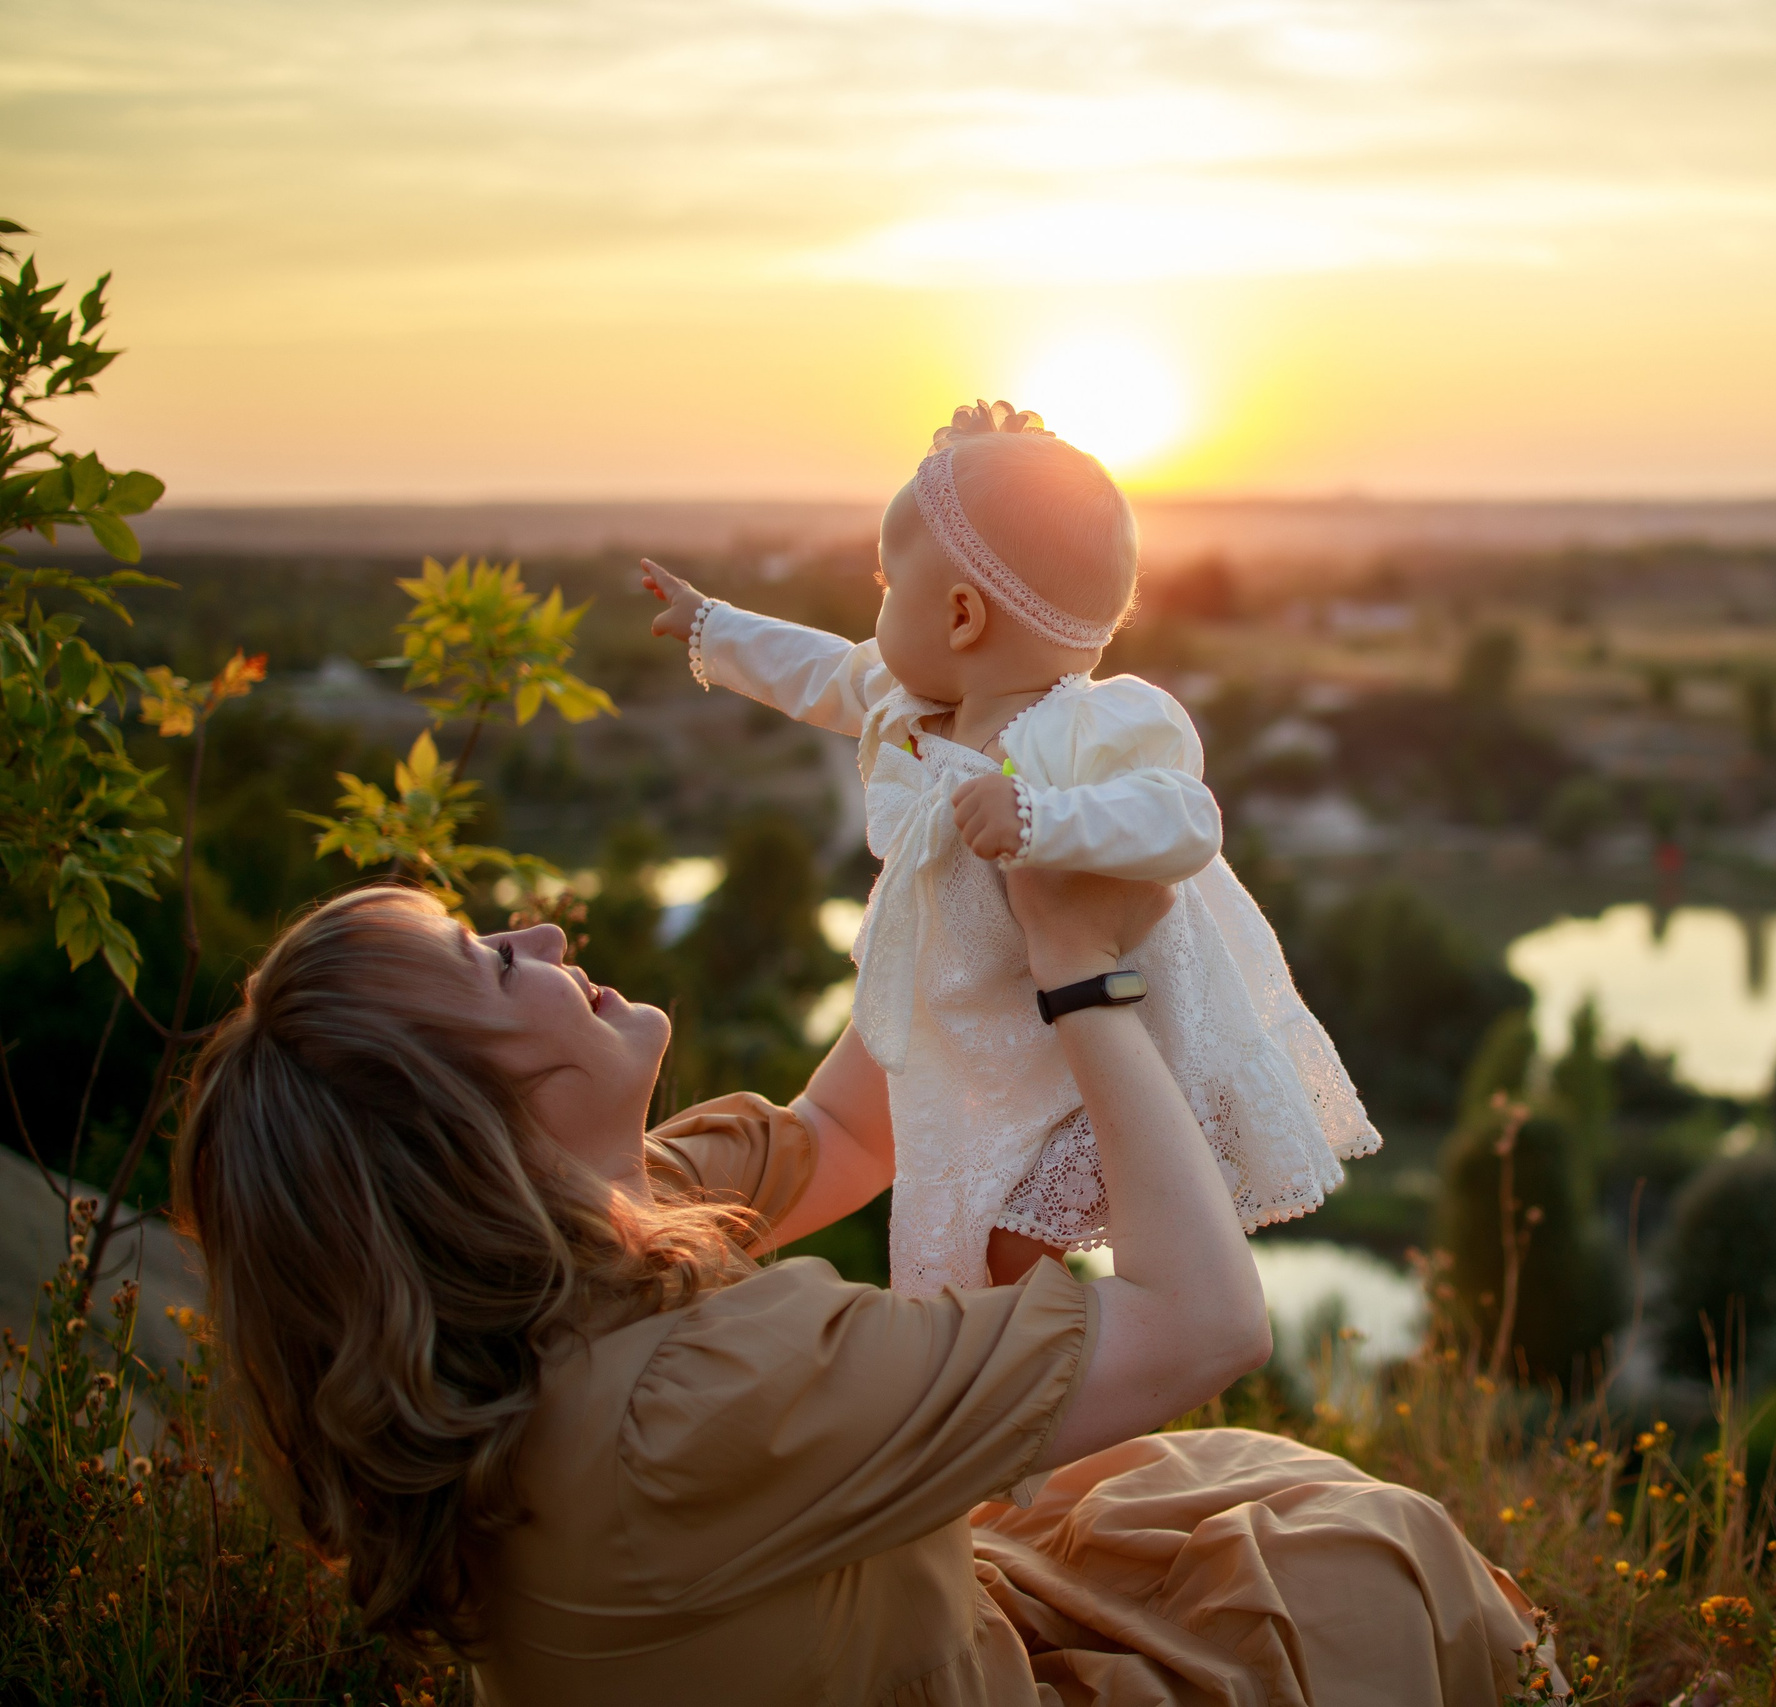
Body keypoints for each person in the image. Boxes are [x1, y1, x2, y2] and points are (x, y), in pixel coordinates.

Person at [175, 871, 1549, 1704]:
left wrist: (961, 861)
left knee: (1191, 1479)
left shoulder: (592, 1231)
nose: (537, 933)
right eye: (492, 961)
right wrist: (1087, 981)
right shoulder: (696, 1394)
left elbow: (847, 1132)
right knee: (1369, 1566)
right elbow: (1208, 1320)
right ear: (462, 1113)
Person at [638, 400, 1375, 1295]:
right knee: (844, 1135)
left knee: (999, 1248)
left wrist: (1040, 818)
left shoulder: (1081, 728)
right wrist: (715, 625)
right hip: (957, 987)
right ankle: (666, 1256)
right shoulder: (916, 705)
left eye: (885, 588)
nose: (875, 613)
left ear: (959, 617)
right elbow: (826, 670)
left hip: (1080, 1037)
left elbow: (1184, 817)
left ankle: (1030, 1398)